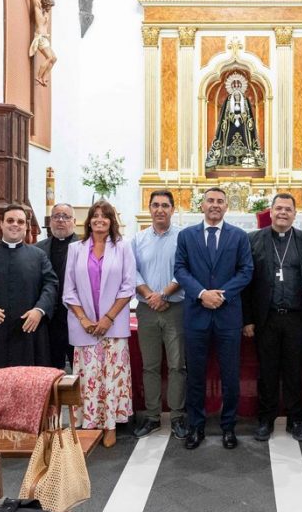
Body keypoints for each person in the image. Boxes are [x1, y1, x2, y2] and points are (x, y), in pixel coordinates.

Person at [174, 187, 253, 450]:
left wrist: (222, 295)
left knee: (230, 375)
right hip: (196, 315)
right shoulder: (186, 236)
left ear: (226, 206)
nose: (215, 205)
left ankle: (228, 427)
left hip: (228, 315)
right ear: (202, 205)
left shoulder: (239, 236)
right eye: (211, 200)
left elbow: (246, 271)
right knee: (195, 375)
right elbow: (180, 269)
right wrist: (201, 294)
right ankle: (196, 426)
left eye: (220, 201)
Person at [242, 193, 302, 442]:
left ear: (295, 213)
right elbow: (246, 284)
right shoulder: (253, 240)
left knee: (295, 371)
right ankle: (265, 419)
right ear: (270, 212)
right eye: (279, 209)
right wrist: (247, 319)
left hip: (297, 317)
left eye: (288, 209)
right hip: (266, 318)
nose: (283, 213)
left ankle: (296, 420)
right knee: (268, 371)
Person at [62, 201, 136, 448]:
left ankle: (110, 425)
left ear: (112, 221)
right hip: (84, 325)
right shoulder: (75, 249)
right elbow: (68, 289)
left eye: (105, 216)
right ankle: (88, 422)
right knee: (88, 375)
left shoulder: (122, 248)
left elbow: (128, 287)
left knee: (111, 377)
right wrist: (84, 319)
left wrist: (108, 318)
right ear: (89, 221)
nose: (100, 220)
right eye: (95, 216)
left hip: (112, 325)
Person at [0, 204, 58, 369]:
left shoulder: (38, 255)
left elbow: (50, 285)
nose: (15, 224)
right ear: (1, 224)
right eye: (10, 220)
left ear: (26, 227)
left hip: (28, 331)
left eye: (20, 222)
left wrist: (39, 310)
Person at [132, 191, 188, 441]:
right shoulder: (137, 239)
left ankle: (177, 416)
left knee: (177, 365)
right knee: (150, 366)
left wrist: (163, 295)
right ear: (149, 208)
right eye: (155, 205)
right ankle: (153, 416)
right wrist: (150, 296)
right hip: (147, 310)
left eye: (165, 205)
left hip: (175, 308)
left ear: (173, 209)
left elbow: (186, 269)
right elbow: (131, 272)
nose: (160, 210)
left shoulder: (183, 238)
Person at [35, 202, 78, 370]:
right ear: (50, 221)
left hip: (75, 316)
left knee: (79, 368)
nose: (61, 220)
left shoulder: (84, 247)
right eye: (56, 217)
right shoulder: (37, 249)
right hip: (48, 319)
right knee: (50, 369)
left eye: (66, 217)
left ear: (74, 221)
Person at [204, 73, 265, 169]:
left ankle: (245, 158)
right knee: (228, 139)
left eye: (238, 95)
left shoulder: (245, 100)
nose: (236, 96)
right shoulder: (228, 100)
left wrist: (241, 117)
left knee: (245, 139)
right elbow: (225, 113)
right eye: (235, 95)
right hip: (231, 125)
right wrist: (233, 117)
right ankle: (229, 159)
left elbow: (248, 114)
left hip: (242, 125)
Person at [27, 0, 56, 87]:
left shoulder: (46, 13)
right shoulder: (38, 9)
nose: (50, 8)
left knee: (54, 58)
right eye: (49, 5)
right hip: (40, 38)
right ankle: (39, 76)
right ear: (45, 4)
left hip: (45, 39)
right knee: (49, 57)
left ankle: (44, 77)